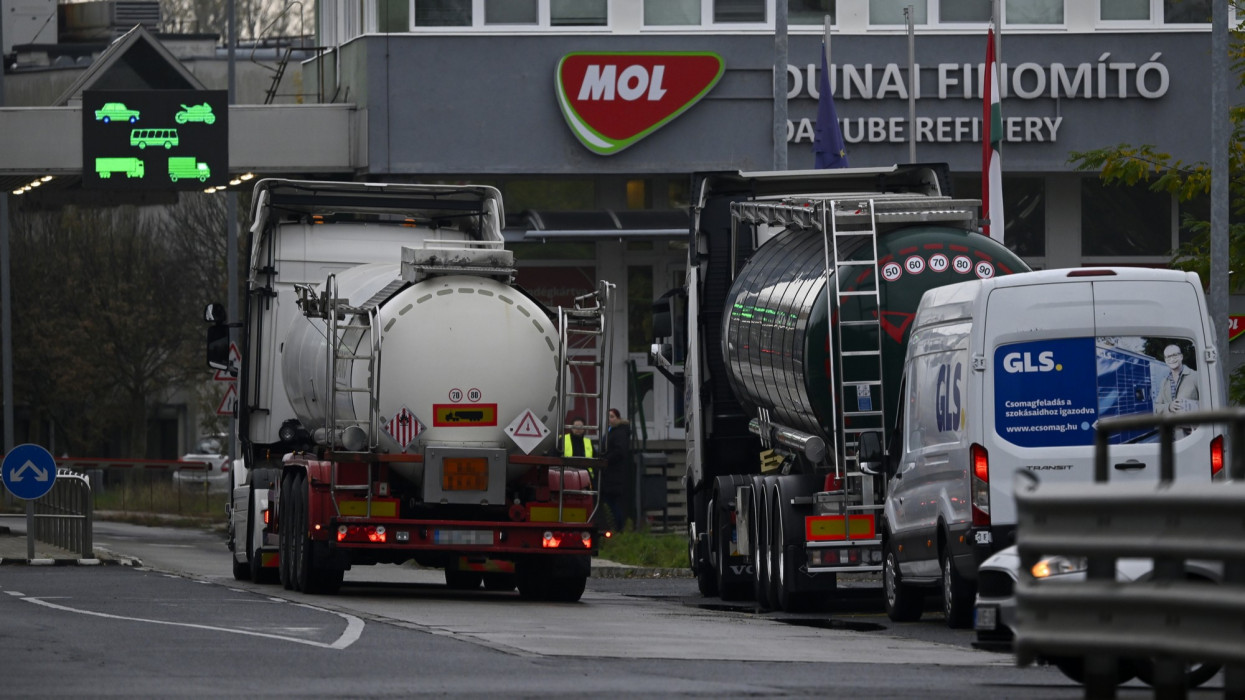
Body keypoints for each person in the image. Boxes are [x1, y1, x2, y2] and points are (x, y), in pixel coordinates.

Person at [601, 408, 632, 532]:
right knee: (610, 503)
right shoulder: (611, 432)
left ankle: (618, 528)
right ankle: (616, 528)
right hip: (610, 474)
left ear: (618, 418)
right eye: (608, 417)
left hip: (614, 474)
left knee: (612, 503)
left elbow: (619, 452)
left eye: (612, 416)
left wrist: (606, 459)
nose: (609, 419)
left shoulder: (619, 433)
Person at [1155, 344, 1199, 415]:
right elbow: (1157, 408)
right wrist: (1169, 407)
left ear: (1181, 356)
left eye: (1174, 355)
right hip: (1171, 425)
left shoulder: (1195, 376)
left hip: (1191, 425)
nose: (1172, 359)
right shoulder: (1164, 382)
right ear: (1165, 360)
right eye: (1168, 357)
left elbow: (1208, 402)